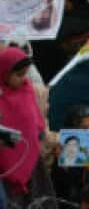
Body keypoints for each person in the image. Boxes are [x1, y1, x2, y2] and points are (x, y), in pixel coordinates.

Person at [0, 47, 43, 205]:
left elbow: (35, 115)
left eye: (25, 73)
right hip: (6, 159)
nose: (23, 78)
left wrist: (40, 130)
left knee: (35, 199)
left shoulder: (27, 89)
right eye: (18, 74)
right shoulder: (1, 96)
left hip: (30, 155)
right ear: (4, 72)